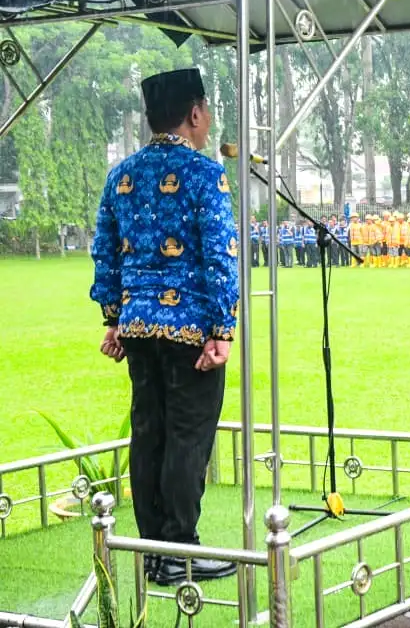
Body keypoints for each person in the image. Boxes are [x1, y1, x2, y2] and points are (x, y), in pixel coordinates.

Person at [90, 68, 239, 585]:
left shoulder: (121, 175)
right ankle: (179, 551)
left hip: (137, 327)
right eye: (207, 111)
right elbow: (220, 255)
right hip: (191, 332)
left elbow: (105, 252)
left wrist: (114, 318)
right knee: (186, 438)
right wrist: (223, 330)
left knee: (148, 433)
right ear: (194, 114)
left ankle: (153, 550)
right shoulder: (204, 174)